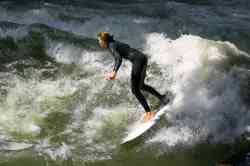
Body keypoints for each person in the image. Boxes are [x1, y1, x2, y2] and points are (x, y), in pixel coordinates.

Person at [97, 32, 169, 122]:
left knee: (135, 90)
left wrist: (114, 72)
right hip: (142, 57)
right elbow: (123, 52)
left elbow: (118, 59)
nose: (99, 42)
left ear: (104, 41)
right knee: (141, 85)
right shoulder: (114, 43)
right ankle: (162, 98)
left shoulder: (111, 46)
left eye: (99, 40)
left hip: (137, 60)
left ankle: (149, 113)